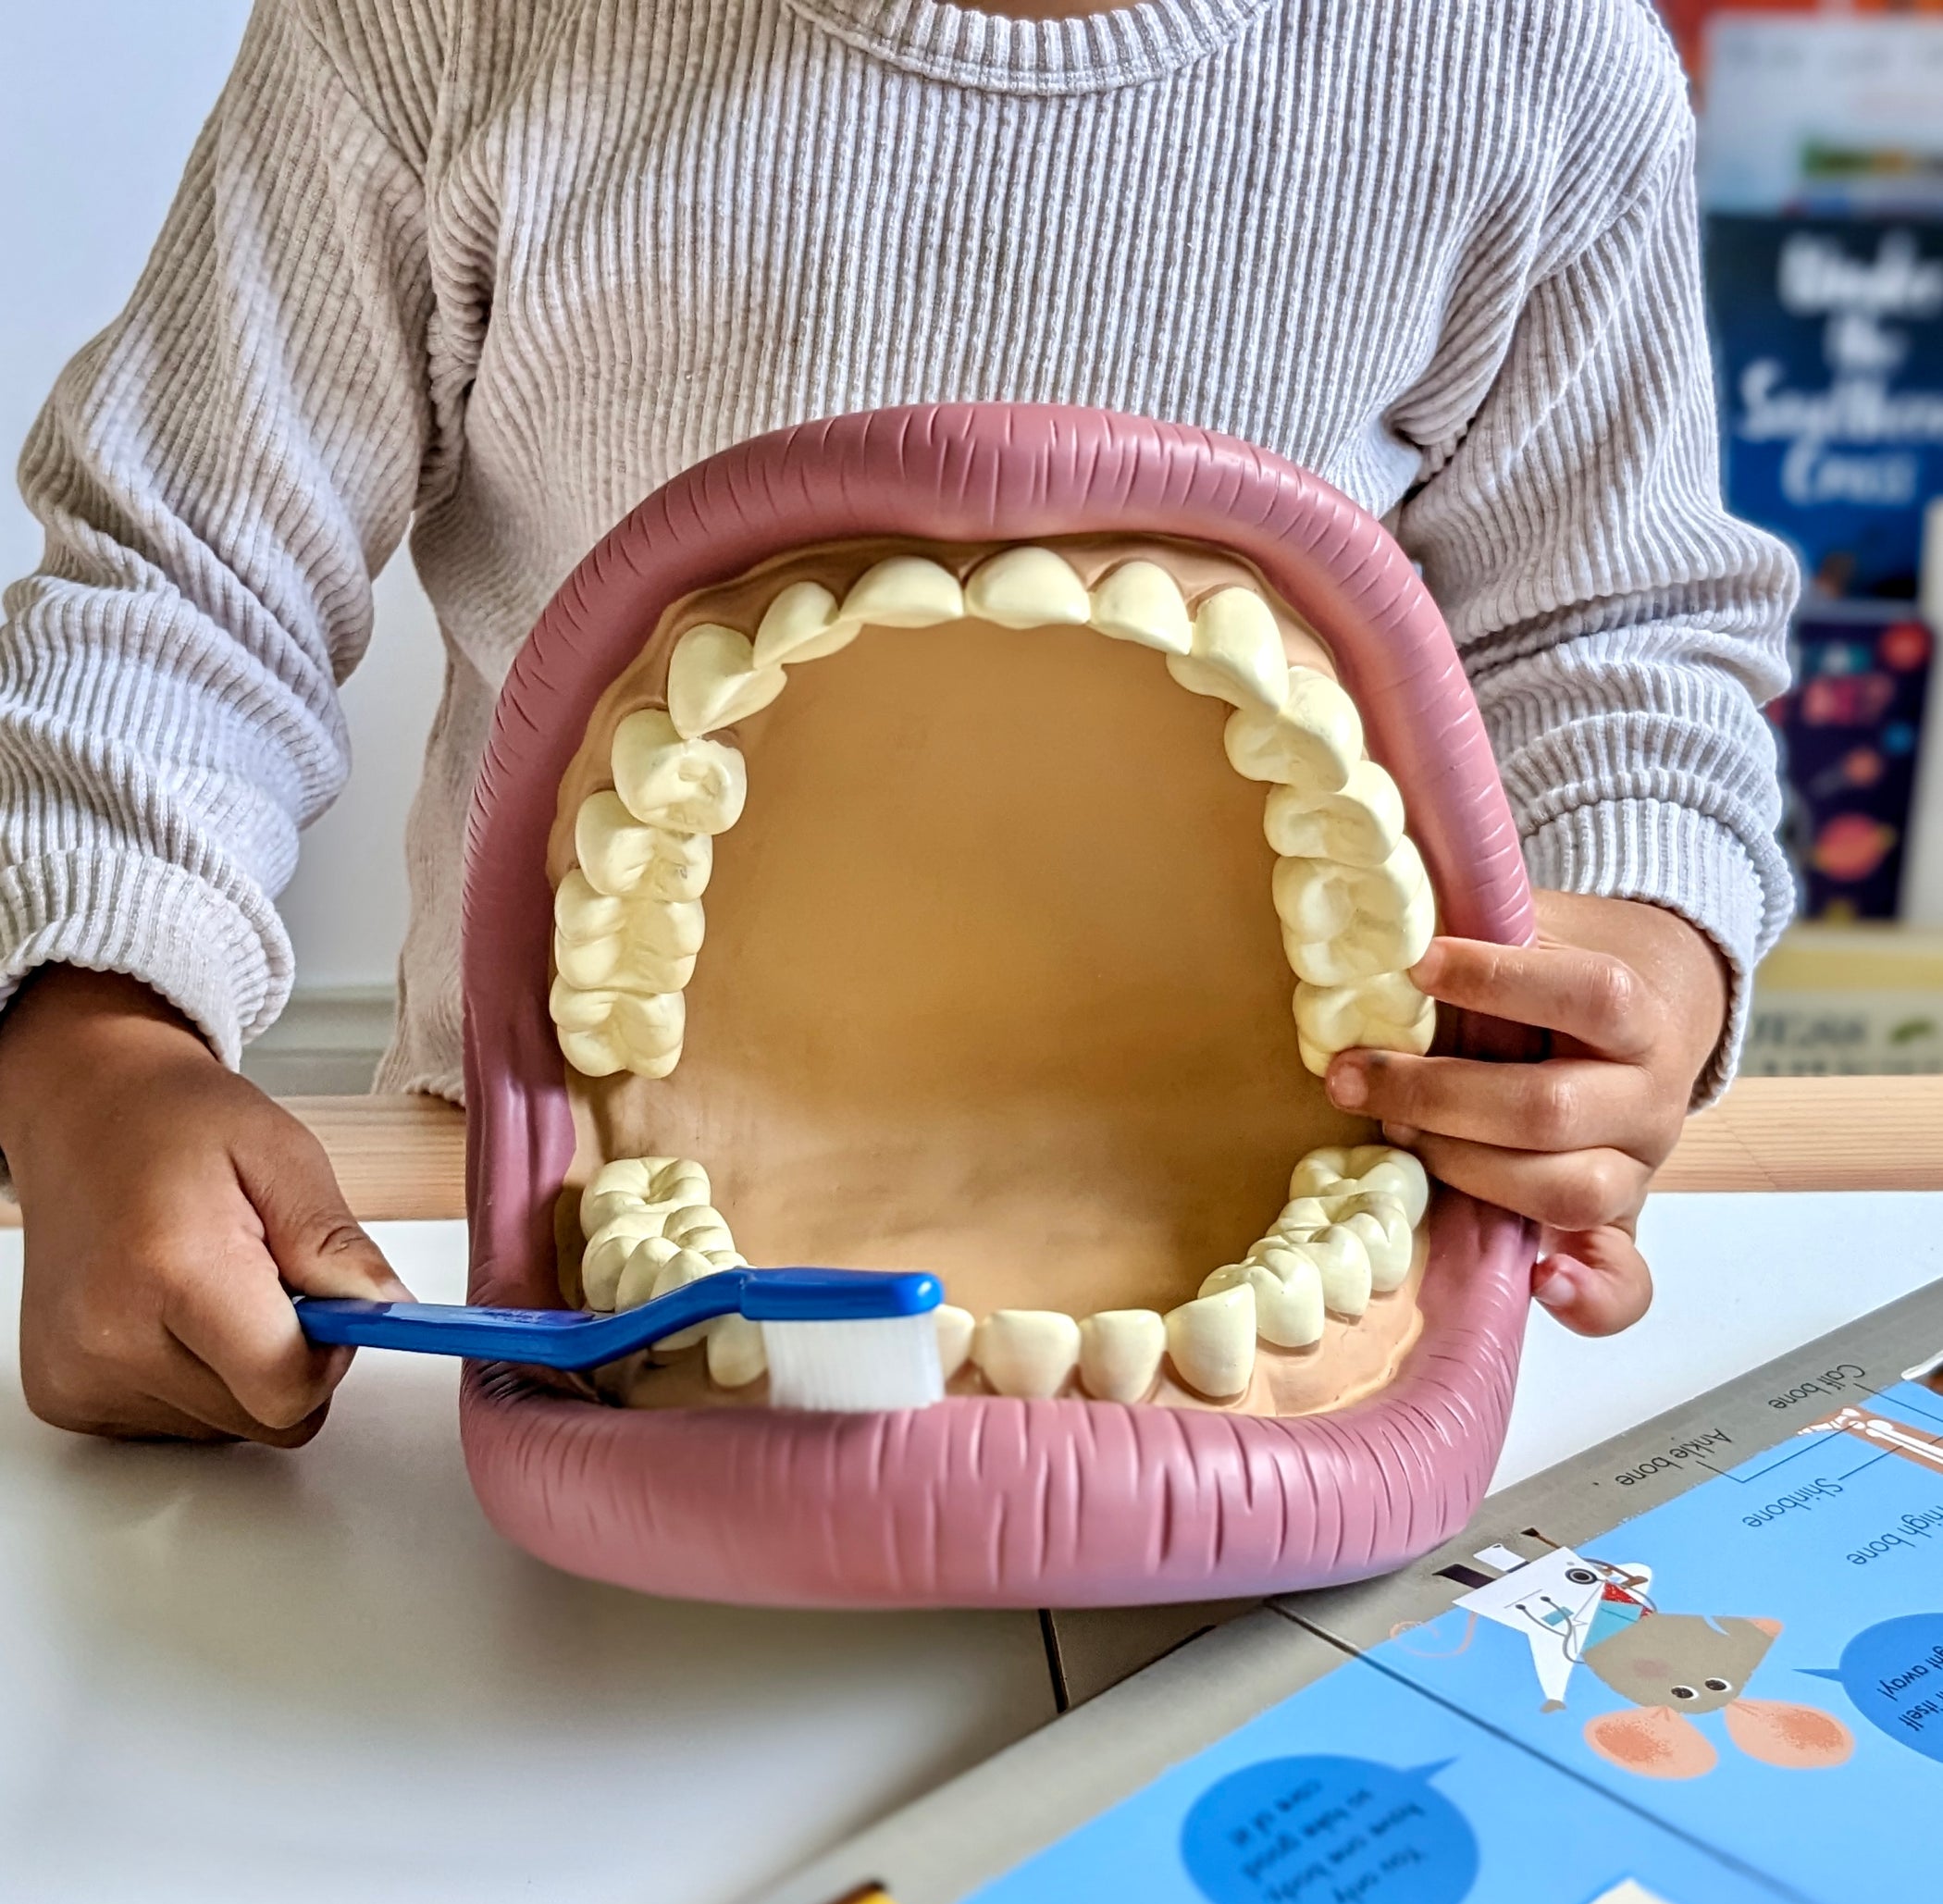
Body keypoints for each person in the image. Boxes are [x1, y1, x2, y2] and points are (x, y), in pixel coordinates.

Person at [0, 0, 1792, 1444]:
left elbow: (1606, 626)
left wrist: (1635, 946)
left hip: (1262, 1224)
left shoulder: (1531, 59)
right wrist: (97, 1046)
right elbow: (182, 581)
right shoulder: (435, 29)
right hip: (581, 1218)